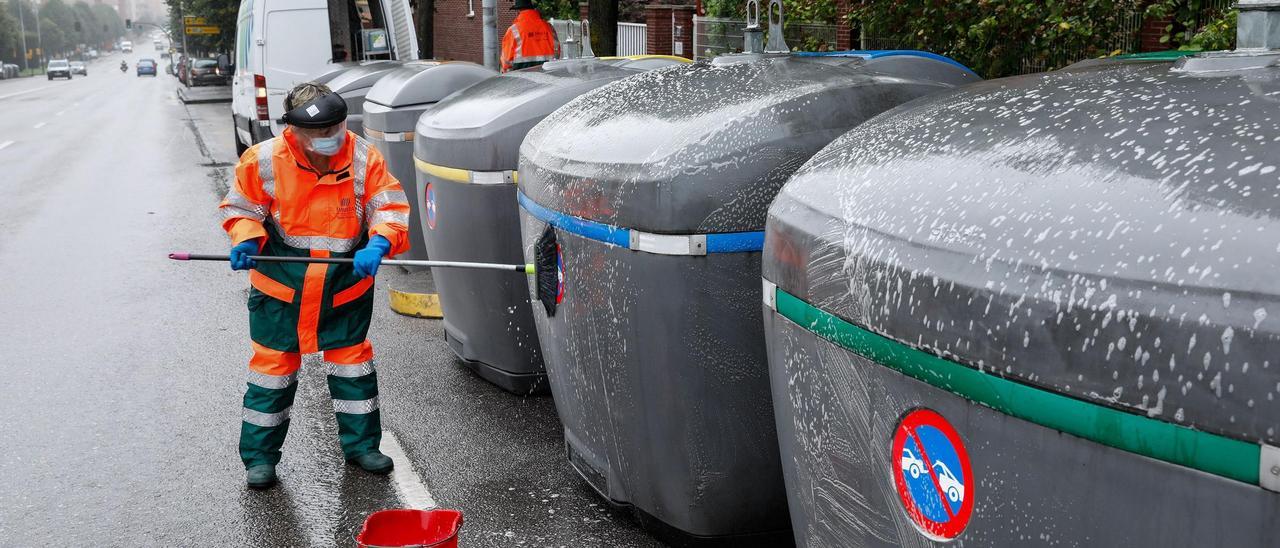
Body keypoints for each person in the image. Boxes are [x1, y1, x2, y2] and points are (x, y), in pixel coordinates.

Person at [219, 82, 411, 489]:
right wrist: (246, 239)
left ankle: (362, 447)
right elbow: (242, 208)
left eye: (335, 128)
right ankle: (259, 459)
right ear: (295, 131)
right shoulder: (264, 160)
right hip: (282, 290)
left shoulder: (363, 157)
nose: (329, 138)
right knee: (273, 373)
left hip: (344, 288)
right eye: (318, 132)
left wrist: (378, 242)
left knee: (353, 368)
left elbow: (389, 206)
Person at [500, 0, 560, 72]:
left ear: (519, 11)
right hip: (548, 74)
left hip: (522, 76)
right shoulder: (548, 27)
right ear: (533, 9)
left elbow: (506, 61)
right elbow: (557, 51)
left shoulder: (513, 30)